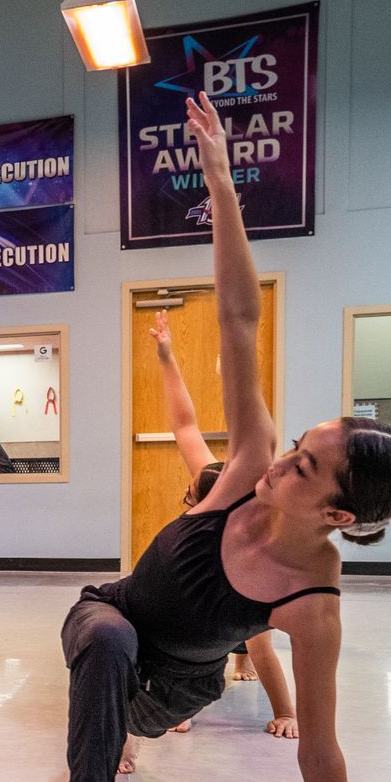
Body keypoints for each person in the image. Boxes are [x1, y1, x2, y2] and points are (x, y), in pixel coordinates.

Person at [39, 93, 391, 782]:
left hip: (183, 684)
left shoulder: (312, 604)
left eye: (304, 467)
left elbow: (324, 749)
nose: (277, 466)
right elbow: (238, 317)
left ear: (338, 516)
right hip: (109, 617)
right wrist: (222, 180)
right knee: (110, 645)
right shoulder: (249, 467)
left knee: (128, 717)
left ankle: (116, 738)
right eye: (296, 445)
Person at [149, 309, 297, 740]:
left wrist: (287, 714)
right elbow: (184, 424)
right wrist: (165, 356)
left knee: (255, 640)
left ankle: (243, 662)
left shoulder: (236, 504)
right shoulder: (212, 476)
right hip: (202, 578)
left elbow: (265, 643)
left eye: (191, 494)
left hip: (238, 579)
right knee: (183, 630)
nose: (188, 493)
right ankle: (187, 695)